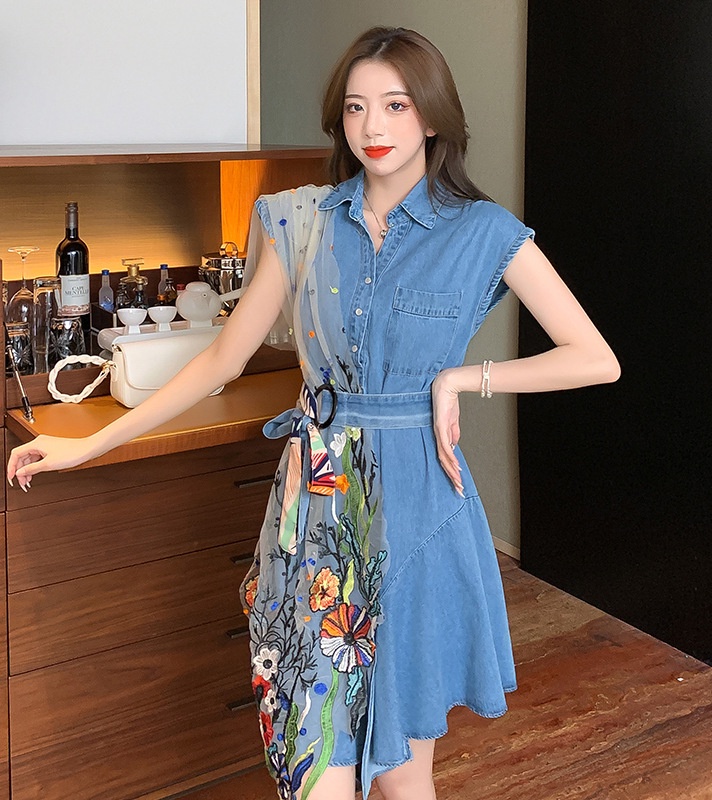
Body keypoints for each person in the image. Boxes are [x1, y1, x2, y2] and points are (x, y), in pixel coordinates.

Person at [6, 26, 619, 800]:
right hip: (315, 517)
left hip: (419, 518)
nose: (373, 126)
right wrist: (87, 444)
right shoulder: (300, 221)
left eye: (396, 105)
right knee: (313, 764)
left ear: (433, 116)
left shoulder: (483, 231)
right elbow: (221, 362)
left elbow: (594, 357)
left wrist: (464, 378)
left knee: (404, 775)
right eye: (356, 107)